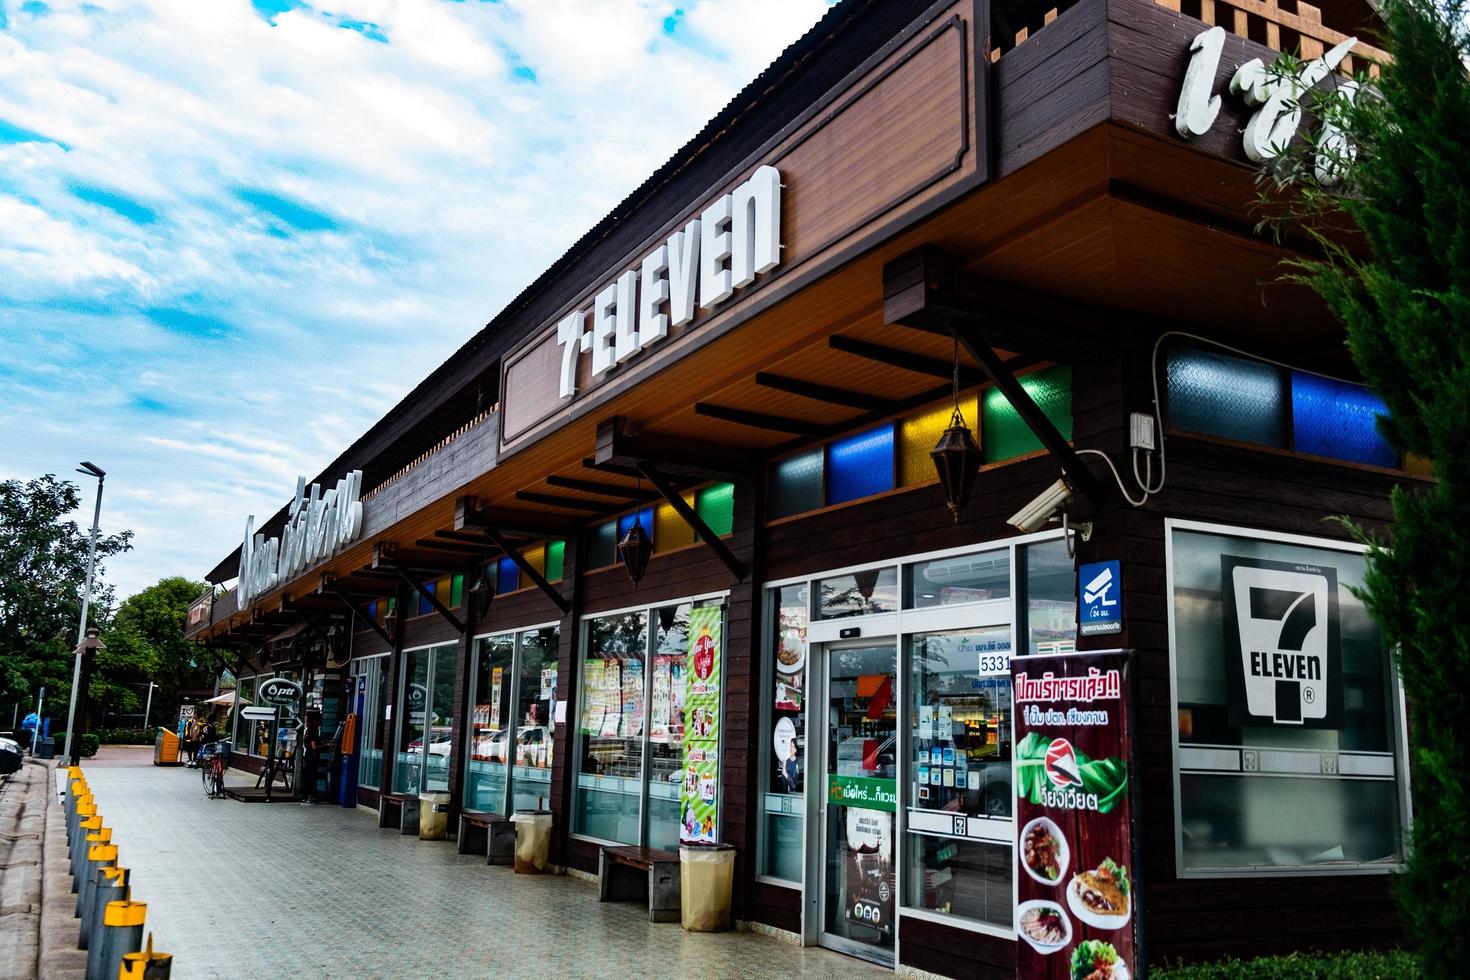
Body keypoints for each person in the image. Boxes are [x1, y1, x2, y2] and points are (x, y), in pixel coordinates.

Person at [299, 709, 322, 806]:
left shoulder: (308, 729)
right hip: (312, 756)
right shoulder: (314, 730)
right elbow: (314, 746)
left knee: (307, 776)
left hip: (307, 755)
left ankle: (305, 796)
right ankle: (312, 796)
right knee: (312, 776)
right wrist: (326, 745)